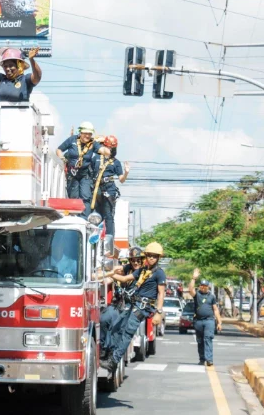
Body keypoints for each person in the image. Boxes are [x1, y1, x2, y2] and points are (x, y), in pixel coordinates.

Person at [102, 242, 166, 373]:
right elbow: (125, 278)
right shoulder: (143, 270)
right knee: (117, 327)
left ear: (158, 258)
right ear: (146, 256)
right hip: (133, 304)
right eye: (149, 255)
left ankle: (113, 361)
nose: (151, 258)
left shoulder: (159, 273)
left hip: (143, 307)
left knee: (127, 332)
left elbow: (161, 293)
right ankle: (110, 354)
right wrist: (108, 273)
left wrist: (159, 312)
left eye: (154, 256)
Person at [57, 122, 107, 217]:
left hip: (85, 174)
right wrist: (62, 159)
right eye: (85, 133)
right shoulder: (72, 140)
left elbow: (102, 150)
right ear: (80, 132)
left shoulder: (93, 143)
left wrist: (108, 149)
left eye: (89, 134)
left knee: (86, 197)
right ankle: (74, 217)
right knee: (73, 196)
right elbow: (59, 150)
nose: (87, 136)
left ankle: (84, 219)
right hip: (73, 174)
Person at [90, 135, 129, 236]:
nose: (110, 149)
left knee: (108, 215)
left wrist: (126, 172)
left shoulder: (116, 162)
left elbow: (121, 179)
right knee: (95, 214)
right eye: (108, 147)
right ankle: (94, 236)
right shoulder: (96, 158)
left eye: (112, 148)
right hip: (96, 188)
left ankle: (109, 239)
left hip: (109, 188)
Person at [189, 269, 222, 366]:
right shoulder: (197, 295)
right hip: (198, 321)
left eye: (205, 286)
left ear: (208, 287)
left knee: (208, 339)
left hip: (209, 321)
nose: (203, 287)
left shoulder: (211, 296)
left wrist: (219, 322)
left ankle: (209, 359)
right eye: (201, 286)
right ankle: (202, 359)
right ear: (199, 286)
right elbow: (190, 289)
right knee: (200, 341)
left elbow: (215, 310)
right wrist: (193, 278)